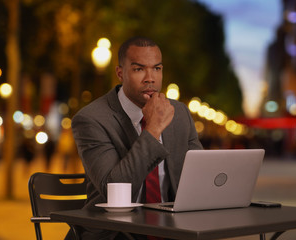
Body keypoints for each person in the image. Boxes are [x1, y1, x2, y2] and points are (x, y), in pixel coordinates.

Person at [71, 36, 203, 239]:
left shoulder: (180, 113)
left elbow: (201, 176)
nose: (150, 78)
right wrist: (153, 130)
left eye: (157, 69)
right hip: (115, 233)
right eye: (139, 69)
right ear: (120, 73)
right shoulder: (91, 119)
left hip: (171, 229)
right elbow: (114, 190)